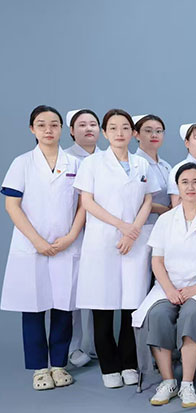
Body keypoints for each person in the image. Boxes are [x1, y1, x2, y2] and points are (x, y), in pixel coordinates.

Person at [132, 163, 196, 408]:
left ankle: (187, 383)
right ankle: (168, 381)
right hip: (168, 287)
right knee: (157, 315)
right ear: (177, 186)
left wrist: (194, 290)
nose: (190, 187)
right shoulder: (166, 220)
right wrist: (169, 290)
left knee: (192, 314)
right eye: (184, 182)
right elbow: (157, 262)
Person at [73, 108, 159, 388]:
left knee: (131, 306)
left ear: (133, 133)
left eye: (124, 128)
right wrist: (122, 226)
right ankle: (109, 366)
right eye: (113, 128)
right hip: (103, 241)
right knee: (103, 305)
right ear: (105, 133)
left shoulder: (141, 164)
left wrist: (133, 230)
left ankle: (129, 363)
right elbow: (87, 202)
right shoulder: (92, 164)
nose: (119, 133)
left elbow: (147, 200)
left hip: (134, 241)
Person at [1, 105, 85, 390]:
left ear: (62, 129)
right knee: (33, 307)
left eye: (54, 124)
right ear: (32, 129)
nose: (48, 130)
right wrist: (36, 240)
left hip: (65, 245)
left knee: (63, 307)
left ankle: (59, 365)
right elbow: (12, 205)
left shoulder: (75, 164)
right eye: (41, 124)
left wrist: (71, 236)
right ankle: (39, 368)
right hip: (31, 246)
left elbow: (83, 205)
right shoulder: (22, 163)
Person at [64, 108, 101, 367]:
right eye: (82, 125)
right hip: (73, 234)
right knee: (71, 294)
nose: (88, 129)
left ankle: (94, 344)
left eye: (93, 124)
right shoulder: (64, 159)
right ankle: (72, 347)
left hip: (100, 233)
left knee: (97, 291)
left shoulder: (108, 158)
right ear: (71, 130)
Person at [133, 114, 172, 226]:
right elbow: (133, 199)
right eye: (148, 131)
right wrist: (163, 209)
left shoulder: (166, 166)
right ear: (136, 134)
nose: (154, 135)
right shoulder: (134, 164)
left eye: (159, 131)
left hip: (167, 225)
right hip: (143, 226)